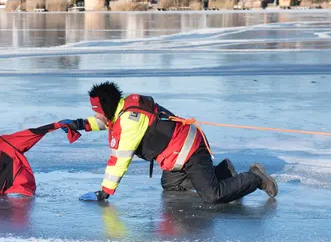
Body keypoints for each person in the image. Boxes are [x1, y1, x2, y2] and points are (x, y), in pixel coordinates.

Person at [60, 81, 278, 204]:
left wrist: (104, 193)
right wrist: (79, 124)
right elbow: (107, 122)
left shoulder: (130, 120)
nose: (96, 115)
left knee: (212, 196)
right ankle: (223, 173)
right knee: (170, 185)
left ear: (106, 107)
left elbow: (119, 160)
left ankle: (255, 178)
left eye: (97, 111)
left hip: (190, 151)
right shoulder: (122, 108)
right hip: (176, 156)